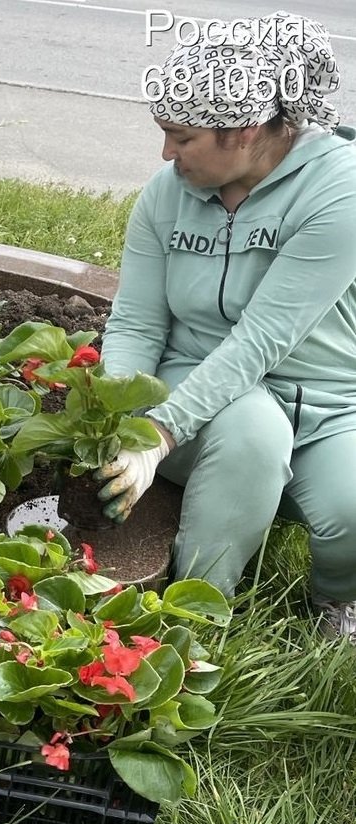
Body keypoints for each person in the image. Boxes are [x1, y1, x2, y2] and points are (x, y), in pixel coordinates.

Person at [96, 11, 356, 642]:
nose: (165, 154)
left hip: (327, 399)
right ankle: (193, 619)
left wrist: (160, 434)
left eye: (181, 138)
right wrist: (126, 422)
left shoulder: (339, 191)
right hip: (198, 389)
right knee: (252, 432)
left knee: (349, 509)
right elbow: (135, 320)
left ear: (243, 131)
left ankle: (335, 606)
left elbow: (264, 338)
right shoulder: (165, 194)